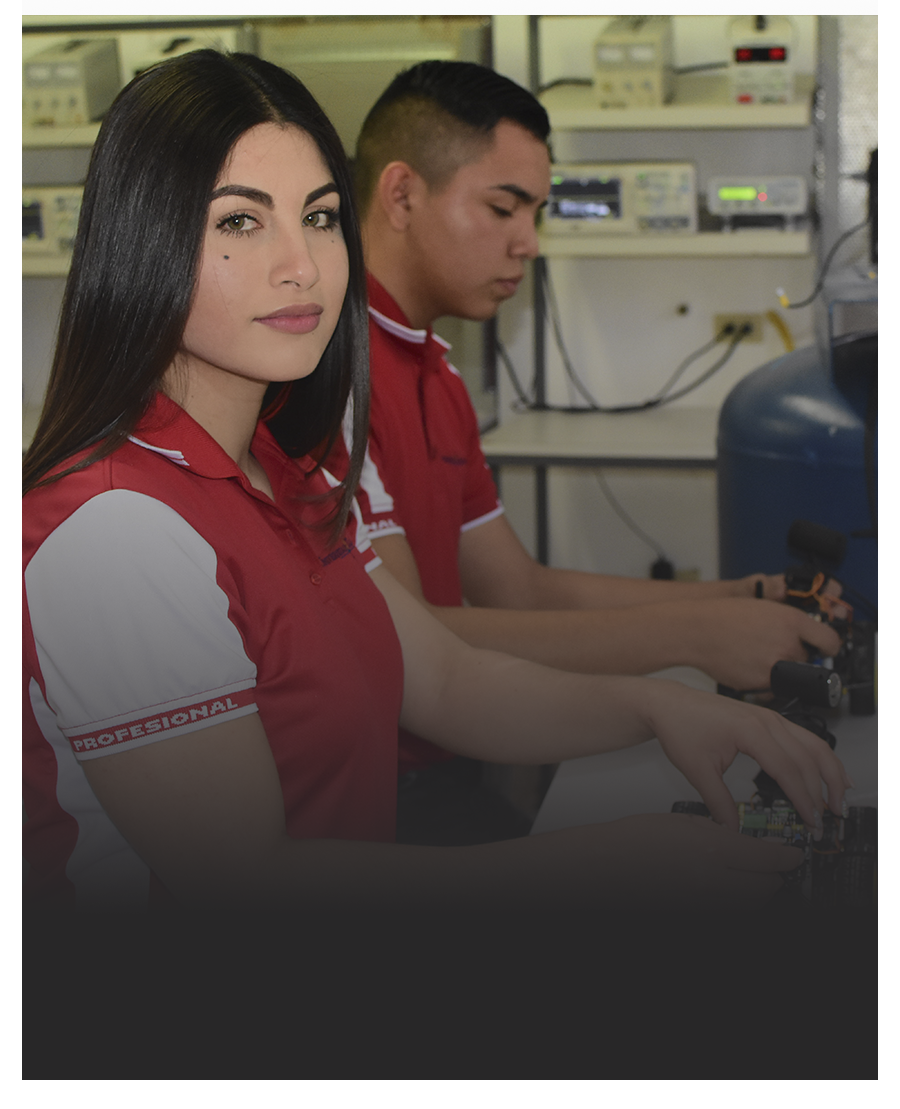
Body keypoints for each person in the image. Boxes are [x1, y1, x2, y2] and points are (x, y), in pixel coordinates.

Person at [23, 49, 849, 923]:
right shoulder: (118, 529)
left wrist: (662, 707)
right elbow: (246, 885)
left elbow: (449, 680)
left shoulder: (291, 467)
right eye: (240, 222)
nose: (303, 264)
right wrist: (606, 865)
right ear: (142, 240)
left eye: (319, 216)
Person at [324, 59, 846, 838]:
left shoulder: (435, 370)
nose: (528, 244)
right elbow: (419, 638)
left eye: (535, 213)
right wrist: (695, 637)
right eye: (503, 208)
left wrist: (738, 598)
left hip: (452, 761)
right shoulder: (333, 378)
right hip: (376, 797)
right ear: (401, 194)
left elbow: (519, 588)